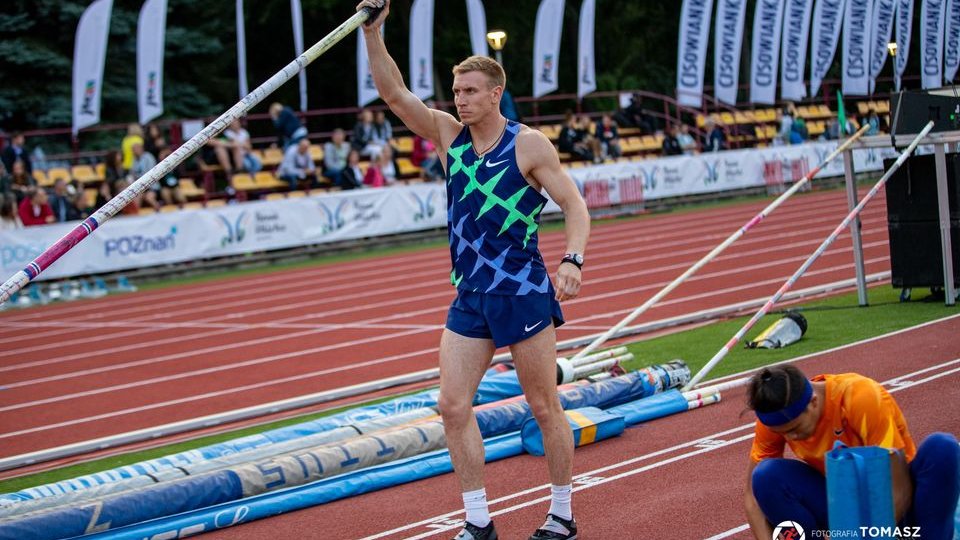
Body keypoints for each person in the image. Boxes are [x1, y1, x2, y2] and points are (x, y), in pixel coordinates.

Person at [357, 2, 591, 539]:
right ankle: (479, 521)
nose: (458, 99)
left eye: (468, 92)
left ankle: (561, 513)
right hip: (471, 295)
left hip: (523, 292)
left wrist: (572, 260)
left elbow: (575, 206)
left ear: (493, 93)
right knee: (452, 406)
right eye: (455, 91)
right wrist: (374, 33)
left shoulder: (527, 144)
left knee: (542, 404)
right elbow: (394, 94)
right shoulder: (448, 137)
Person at [744, 365, 960, 540]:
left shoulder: (860, 397)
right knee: (766, 476)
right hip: (847, 510)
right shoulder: (775, 420)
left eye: (795, 430)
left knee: (942, 448)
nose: (791, 438)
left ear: (813, 402)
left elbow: (899, 488)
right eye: (783, 434)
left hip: (903, 510)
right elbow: (752, 500)